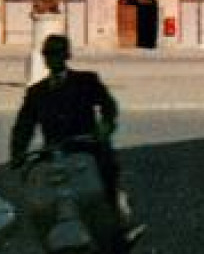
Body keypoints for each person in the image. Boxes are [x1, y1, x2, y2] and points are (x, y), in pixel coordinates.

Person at [9, 35, 130, 224]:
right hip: (54, 151)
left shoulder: (86, 80)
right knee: (42, 193)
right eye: (48, 54)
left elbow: (108, 106)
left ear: (67, 56)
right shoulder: (36, 92)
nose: (53, 59)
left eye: (57, 53)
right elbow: (24, 124)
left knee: (106, 171)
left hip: (87, 146)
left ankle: (116, 220)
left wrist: (105, 127)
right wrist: (17, 152)